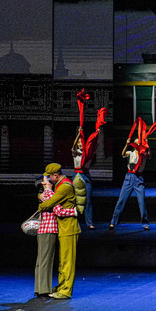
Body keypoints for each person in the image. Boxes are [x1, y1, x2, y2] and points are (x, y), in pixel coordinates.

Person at [37, 164, 81, 299]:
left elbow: (48, 204)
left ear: (55, 175)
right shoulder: (59, 185)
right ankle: (61, 286)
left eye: (49, 177)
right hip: (63, 227)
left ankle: (66, 290)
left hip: (69, 228)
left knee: (67, 262)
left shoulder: (64, 187)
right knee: (63, 261)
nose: (48, 180)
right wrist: (40, 195)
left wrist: (41, 203)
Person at [110, 138, 151, 230]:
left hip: (139, 178)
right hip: (129, 177)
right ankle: (113, 221)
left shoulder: (144, 154)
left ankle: (145, 223)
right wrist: (127, 144)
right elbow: (123, 154)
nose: (138, 144)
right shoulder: (131, 153)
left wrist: (147, 145)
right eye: (136, 143)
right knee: (121, 200)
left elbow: (149, 155)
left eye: (139, 143)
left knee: (142, 202)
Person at [72, 126, 98, 229]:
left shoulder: (88, 154)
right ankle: (74, 221)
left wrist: (97, 133)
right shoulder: (76, 152)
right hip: (77, 175)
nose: (80, 144)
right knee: (75, 199)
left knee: (88, 200)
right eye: (79, 143)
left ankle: (89, 223)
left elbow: (95, 146)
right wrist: (79, 133)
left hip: (86, 175)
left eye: (81, 142)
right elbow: (74, 145)